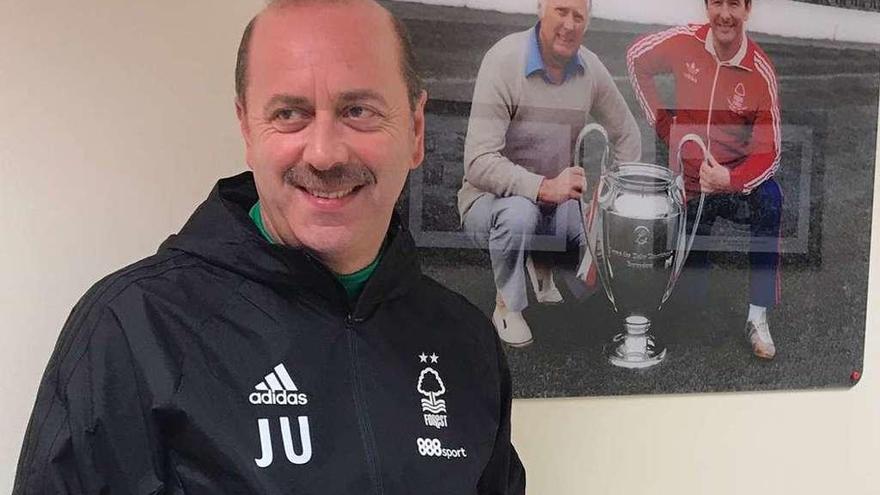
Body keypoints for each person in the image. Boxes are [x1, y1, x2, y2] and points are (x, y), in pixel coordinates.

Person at [13, 1, 526, 493]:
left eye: (358, 110)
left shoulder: (466, 343)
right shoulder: (133, 329)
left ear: (415, 131)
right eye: (289, 114)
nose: (325, 153)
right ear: (247, 129)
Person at [458, 0, 642, 347]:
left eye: (578, 16)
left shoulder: (591, 68)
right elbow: (478, 162)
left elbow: (627, 134)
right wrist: (543, 187)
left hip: (557, 204)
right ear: (541, 8)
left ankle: (541, 266)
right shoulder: (503, 60)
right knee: (519, 212)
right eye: (561, 10)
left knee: (596, 235)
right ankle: (506, 307)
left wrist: (611, 199)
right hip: (490, 204)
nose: (569, 24)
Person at [627, 0, 782, 359]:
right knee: (689, 303)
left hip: (734, 183)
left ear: (747, 9)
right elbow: (636, 58)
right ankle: (682, 292)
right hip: (691, 183)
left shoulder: (760, 71)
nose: (725, 14)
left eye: (734, 4)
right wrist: (662, 122)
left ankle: (757, 316)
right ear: (707, 7)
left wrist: (731, 178)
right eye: (717, 3)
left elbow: (769, 152)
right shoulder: (684, 42)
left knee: (772, 200)